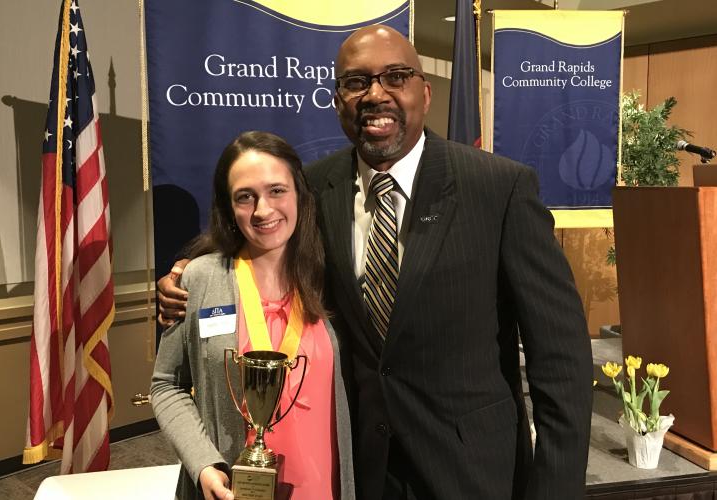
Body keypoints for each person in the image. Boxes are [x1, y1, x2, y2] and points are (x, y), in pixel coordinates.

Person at [159, 26, 593, 500]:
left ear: (424, 93)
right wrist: (185, 274)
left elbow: (561, 362)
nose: (376, 94)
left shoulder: (499, 189)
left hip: (472, 472)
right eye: (356, 82)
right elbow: (257, 237)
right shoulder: (315, 189)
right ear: (337, 100)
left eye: (396, 76)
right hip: (360, 469)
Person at [150, 131, 354, 500]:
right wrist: (203, 464)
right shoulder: (198, 279)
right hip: (229, 487)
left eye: (277, 190)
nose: (263, 210)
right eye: (245, 197)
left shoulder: (334, 279)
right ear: (229, 208)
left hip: (322, 484)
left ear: (300, 195)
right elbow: (165, 384)